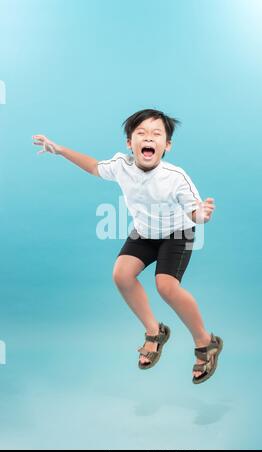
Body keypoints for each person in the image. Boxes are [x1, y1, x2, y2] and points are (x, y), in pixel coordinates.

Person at [32, 108, 223, 384]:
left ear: (167, 145)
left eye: (157, 134)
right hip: (145, 233)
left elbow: (194, 210)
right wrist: (60, 150)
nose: (149, 138)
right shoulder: (122, 165)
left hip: (177, 232)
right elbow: (94, 166)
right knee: (121, 275)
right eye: (141, 133)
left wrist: (201, 215)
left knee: (166, 286)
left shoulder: (175, 176)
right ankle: (154, 331)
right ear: (129, 143)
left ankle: (206, 342)